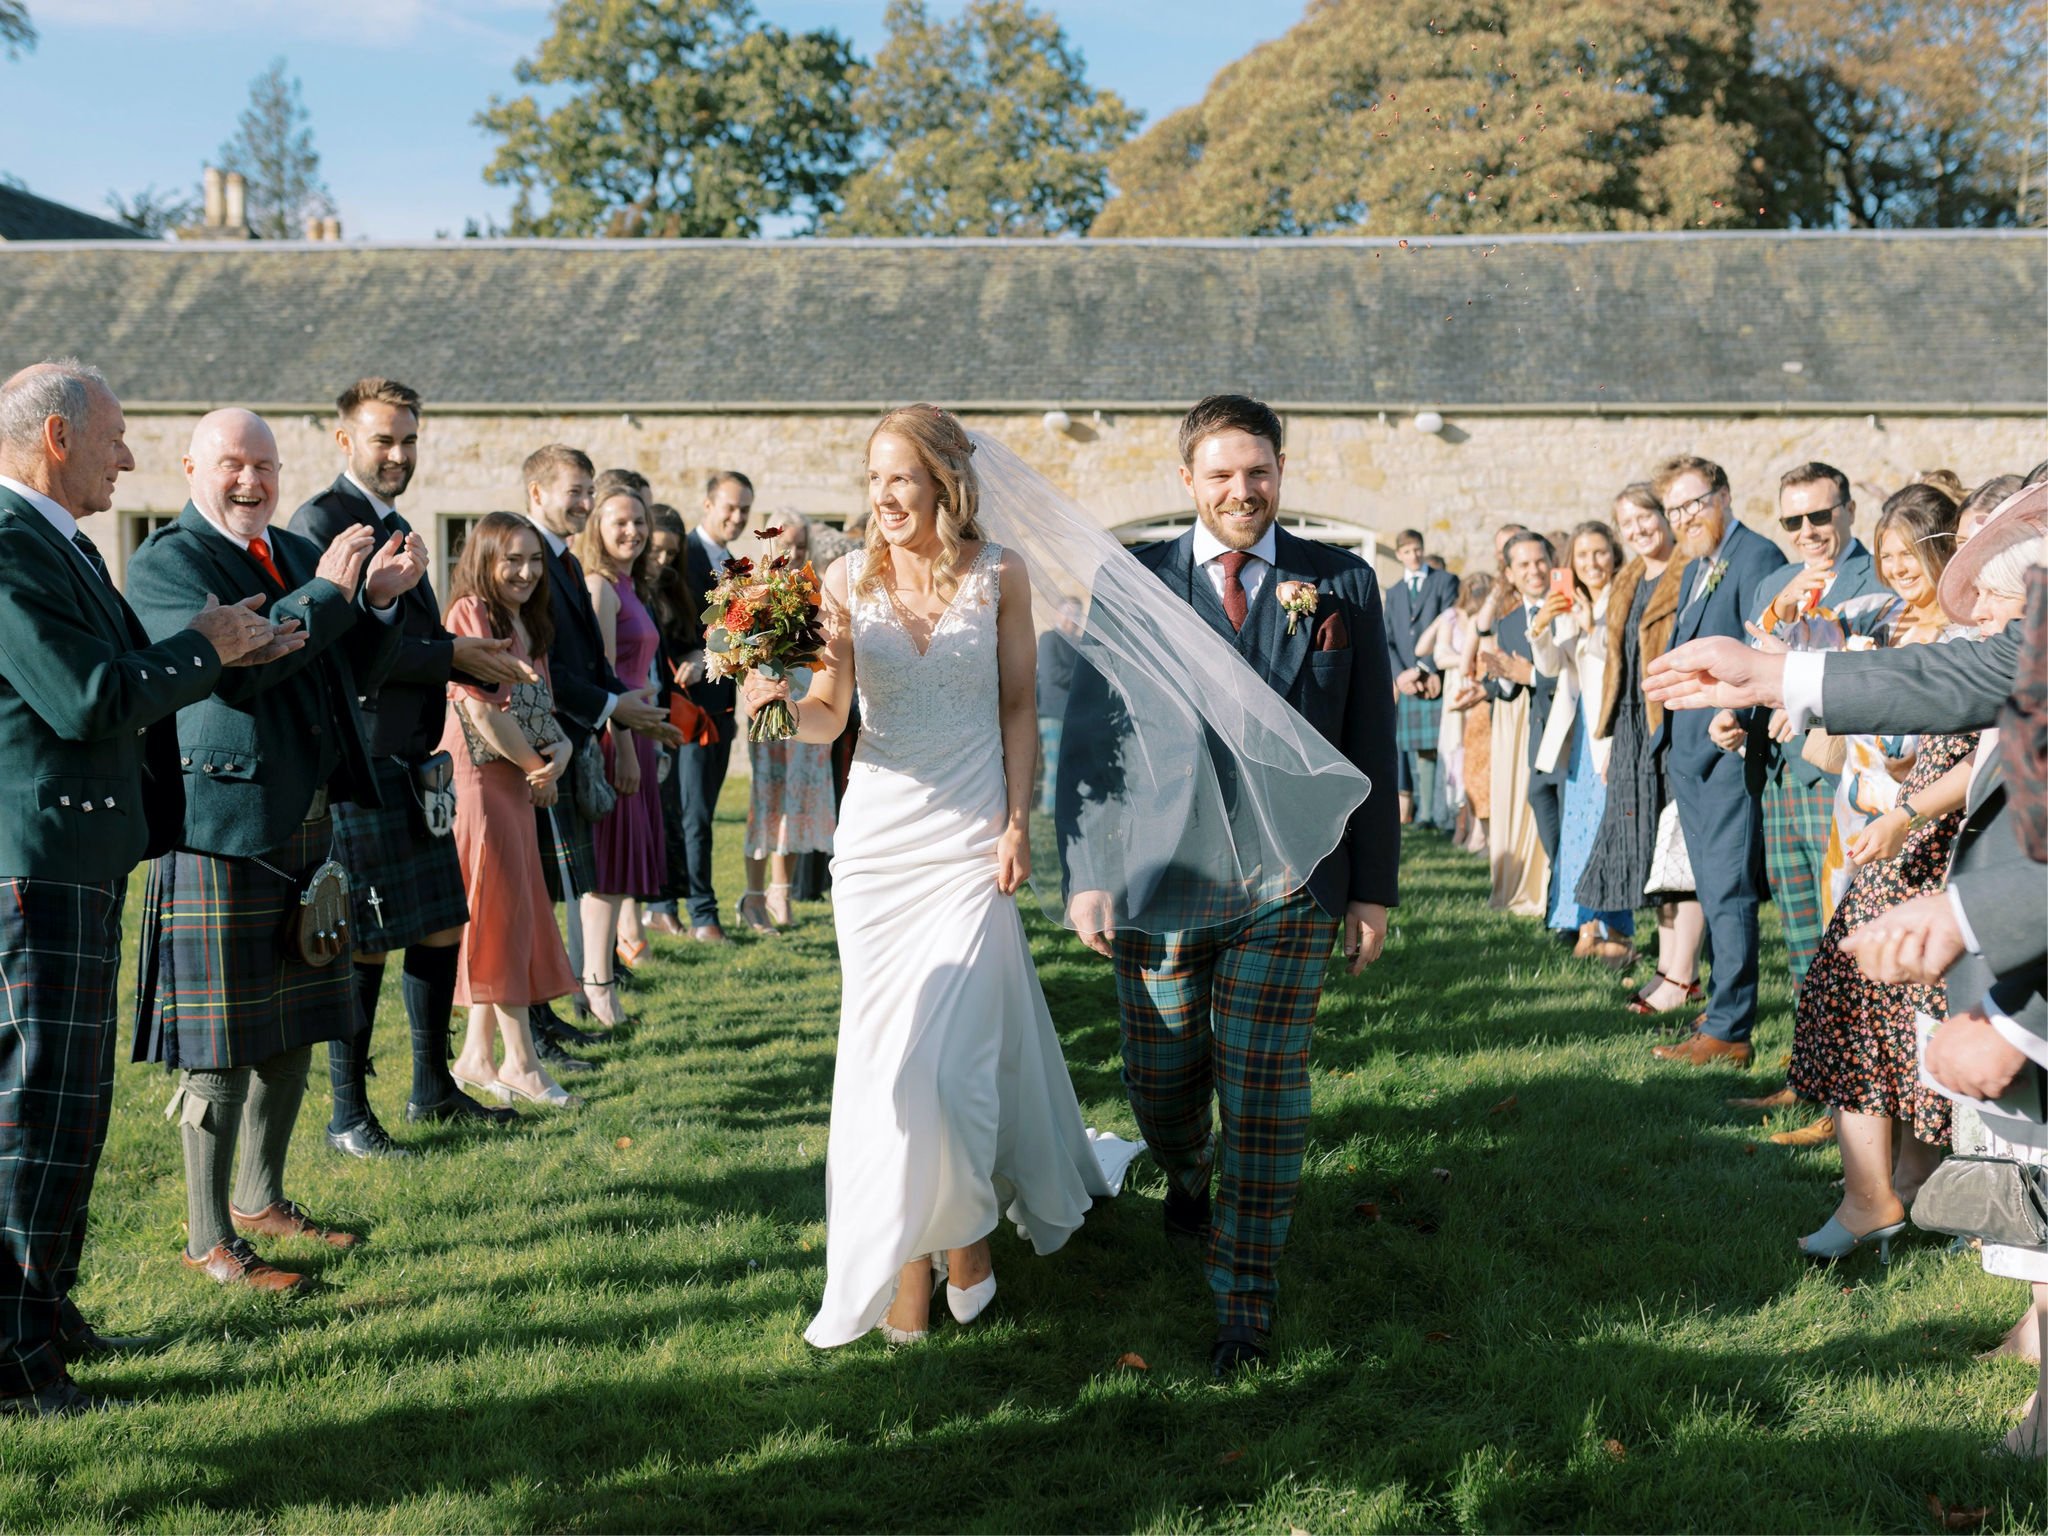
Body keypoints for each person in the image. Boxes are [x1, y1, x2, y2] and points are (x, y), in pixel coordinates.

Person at [741, 406, 1122, 1350]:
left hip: (968, 842)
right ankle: (922, 1257)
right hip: (876, 850)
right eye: (873, 478)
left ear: (944, 484)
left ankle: (969, 1238)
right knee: (892, 1071)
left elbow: (1022, 705)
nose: (884, 496)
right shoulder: (843, 579)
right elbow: (831, 716)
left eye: (901, 477)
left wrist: (1018, 823)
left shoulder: (1002, 575)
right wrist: (776, 707)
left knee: (952, 1071)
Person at [1059, 393, 1397, 1378]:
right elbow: (1091, 731)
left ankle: (1242, 1306)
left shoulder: (1340, 583)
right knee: (1159, 1083)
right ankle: (1183, 1171)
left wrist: (1369, 888)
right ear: (1186, 483)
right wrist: (1087, 871)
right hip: (1159, 873)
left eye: (1256, 473)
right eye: (1219, 475)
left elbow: (1369, 738)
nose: (1240, 491)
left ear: (1278, 473)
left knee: (1262, 1091)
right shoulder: (1131, 578)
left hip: (1290, 881)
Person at [0, 361, 289, 1416]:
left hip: (76, 864)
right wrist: (204, 645)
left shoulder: (57, 542)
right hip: (34, 869)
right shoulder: (6, 541)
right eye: (118, 438)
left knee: (71, 1115)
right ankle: (17, 1363)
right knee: (36, 1114)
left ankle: (47, 1314)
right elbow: (83, 701)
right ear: (60, 437)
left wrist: (227, 648)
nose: (130, 458)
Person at [128, 408, 420, 1293]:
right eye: (232, 464)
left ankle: (262, 1200)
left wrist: (370, 603)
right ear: (190, 467)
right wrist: (334, 596)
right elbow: (246, 662)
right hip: (219, 830)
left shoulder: (294, 553)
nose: (252, 481)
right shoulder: (165, 562)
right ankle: (208, 1236)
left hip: (307, 820)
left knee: (293, 1028)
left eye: (265, 465)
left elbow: (341, 672)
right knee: (216, 1053)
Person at [289, 378, 529, 1150]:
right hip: (356, 763)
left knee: (435, 927)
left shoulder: (394, 522)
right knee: (360, 938)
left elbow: (406, 644)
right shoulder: (321, 522)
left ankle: (432, 1089)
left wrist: (467, 662)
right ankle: (347, 1115)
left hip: (414, 763)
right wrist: (452, 653)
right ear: (345, 440)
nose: (398, 454)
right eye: (384, 439)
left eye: (410, 441)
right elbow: (346, 650)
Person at [1784, 486, 1976, 1257]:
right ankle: (1898, 1189)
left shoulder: (1973, 632)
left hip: (1933, 844)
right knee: (1872, 1005)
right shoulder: (1889, 624)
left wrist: (1905, 806)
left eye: (1909, 555)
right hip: (1894, 832)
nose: (1896, 570)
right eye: (1887, 556)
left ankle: (1885, 1195)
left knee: (1888, 1007)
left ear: (1943, 551)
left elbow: (1976, 753)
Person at [517, 446, 677, 1066]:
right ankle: (554, 1009)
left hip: (590, 732)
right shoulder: (567, 570)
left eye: (590, 493)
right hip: (556, 743)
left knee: (563, 883)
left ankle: (548, 1013)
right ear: (537, 493)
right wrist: (618, 721)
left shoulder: (567, 562)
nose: (583, 505)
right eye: (577, 493)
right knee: (558, 886)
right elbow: (559, 668)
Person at [1647, 455, 1787, 1069]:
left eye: (1694, 503)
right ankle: (1721, 1008)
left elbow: (1769, 651)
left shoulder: (1756, 558)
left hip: (1729, 754)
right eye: (1675, 509)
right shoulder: (1699, 565)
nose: (1684, 518)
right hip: (1693, 760)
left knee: (1729, 894)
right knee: (1712, 889)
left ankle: (1730, 1030)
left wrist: (1741, 724)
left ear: (1724, 495)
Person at [441, 513, 583, 1109]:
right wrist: (536, 766)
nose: (526, 571)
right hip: (480, 780)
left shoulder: (525, 617)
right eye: (512, 560)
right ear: (484, 558)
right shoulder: (470, 611)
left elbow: (536, 704)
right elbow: (480, 711)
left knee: (508, 909)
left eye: (533, 559)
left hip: (516, 776)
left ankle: (475, 1055)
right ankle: (522, 1062)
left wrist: (564, 749)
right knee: (499, 912)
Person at [1739, 463, 1887, 993]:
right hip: (1779, 777)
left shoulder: (1881, 577)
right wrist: (1733, 720)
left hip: (1839, 777)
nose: (1806, 531)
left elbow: (1878, 675)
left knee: (1848, 922)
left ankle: (1855, 1063)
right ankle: (1810, 1063)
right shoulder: (1773, 584)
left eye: (1819, 515)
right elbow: (1753, 667)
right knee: (1798, 922)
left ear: (1849, 511)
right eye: (1792, 521)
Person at [1574, 485, 1702, 1015]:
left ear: (1666, 517)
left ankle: (1684, 976)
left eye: (1645, 516)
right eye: (1627, 521)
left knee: (1679, 853)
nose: (1638, 528)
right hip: (1632, 728)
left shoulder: (1691, 570)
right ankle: (1666, 968)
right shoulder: (1628, 578)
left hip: (1674, 722)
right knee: (1651, 855)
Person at [575, 480, 667, 1019]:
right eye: (619, 523)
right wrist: (626, 749)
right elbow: (607, 677)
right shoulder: (600, 587)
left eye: (638, 522)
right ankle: (596, 986)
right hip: (617, 742)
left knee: (619, 875)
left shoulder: (630, 585)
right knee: (607, 874)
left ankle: (600, 982)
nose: (631, 531)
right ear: (598, 529)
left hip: (639, 737)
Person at [1530, 520, 1635, 962]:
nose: (1592, 563)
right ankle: (1586, 926)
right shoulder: (1573, 602)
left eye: (1600, 553)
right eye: (1583, 555)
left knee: (1610, 830)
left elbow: (1615, 659)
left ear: (1613, 555)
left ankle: (1618, 932)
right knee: (1580, 830)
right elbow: (1554, 666)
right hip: (1579, 733)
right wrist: (1540, 627)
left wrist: (1591, 626)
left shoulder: (1625, 596)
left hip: (1612, 724)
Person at [740, 515, 835, 932]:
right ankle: (754, 895)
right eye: (785, 544)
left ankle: (783, 892)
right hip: (768, 707)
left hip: (809, 704)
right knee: (769, 800)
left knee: (799, 802)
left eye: (799, 545)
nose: (792, 553)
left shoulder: (817, 593)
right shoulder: (754, 591)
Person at [678, 470, 755, 944]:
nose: (737, 516)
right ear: (707, 504)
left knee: (699, 811)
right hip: (684, 706)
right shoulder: (679, 557)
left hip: (723, 706)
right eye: (729, 506)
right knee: (694, 815)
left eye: (745, 509)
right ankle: (700, 914)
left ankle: (674, 907)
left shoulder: (736, 566)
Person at [1478, 531, 1561, 920]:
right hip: (1525, 728)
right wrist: (1501, 678)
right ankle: (1530, 887)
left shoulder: (1569, 611)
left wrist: (1529, 675)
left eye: (1540, 561)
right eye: (1524, 565)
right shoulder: (1508, 623)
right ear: (1509, 574)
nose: (1535, 571)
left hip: (1564, 728)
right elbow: (1503, 683)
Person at [643, 502, 703, 939]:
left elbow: (688, 640)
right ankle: (651, 911)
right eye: (656, 551)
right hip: (634, 711)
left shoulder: (671, 585)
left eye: (671, 553)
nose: (662, 561)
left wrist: (697, 658)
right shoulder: (624, 584)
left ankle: (665, 906)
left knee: (676, 812)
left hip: (667, 709)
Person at [1385, 528, 1458, 830]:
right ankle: (1419, 811)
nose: (1413, 555)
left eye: (1417, 549)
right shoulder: (1395, 591)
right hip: (1407, 679)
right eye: (1407, 551)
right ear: (1399, 554)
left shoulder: (1445, 581)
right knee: (1412, 745)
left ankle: (1435, 812)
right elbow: (1387, 638)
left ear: (1422, 549)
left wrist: (1425, 668)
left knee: (1437, 745)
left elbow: (1451, 622)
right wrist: (1401, 674)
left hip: (1436, 676)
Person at [1417, 574, 1482, 846]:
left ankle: (1478, 825)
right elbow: (1433, 653)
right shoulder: (1452, 618)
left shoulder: (1490, 617)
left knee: (1478, 754)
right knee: (1456, 752)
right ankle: (1460, 823)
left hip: (1481, 687)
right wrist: (1470, 658)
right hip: (1457, 689)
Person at [1444, 573, 1494, 852]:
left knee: (1479, 770)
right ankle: (1481, 836)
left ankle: (1482, 836)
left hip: (1483, 701)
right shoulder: (1490, 622)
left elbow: (1465, 667)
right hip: (1485, 703)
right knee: (1480, 769)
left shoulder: (1479, 623)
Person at [1035, 596, 1081, 819]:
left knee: (1072, 764)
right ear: (1058, 614)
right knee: (1054, 764)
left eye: (1077, 615)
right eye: (1069, 613)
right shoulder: (1049, 639)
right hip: (1053, 713)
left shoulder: (1078, 643)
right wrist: (1081, 678)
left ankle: (1067, 808)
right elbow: (1050, 673)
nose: (1073, 619)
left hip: (1074, 714)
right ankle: (1048, 810)